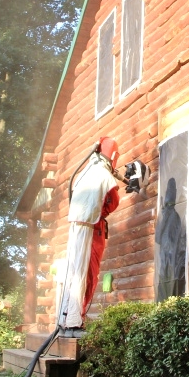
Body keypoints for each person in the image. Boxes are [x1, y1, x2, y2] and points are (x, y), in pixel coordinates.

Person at [55, 137, 121, 336]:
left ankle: (64, 319)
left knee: (72, 272)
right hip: (91, 227)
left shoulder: (84, 173)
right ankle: (75, 322)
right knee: (87, 273)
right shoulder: (103, 174)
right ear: (113, 156)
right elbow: (113, 201)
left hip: (75, 227)